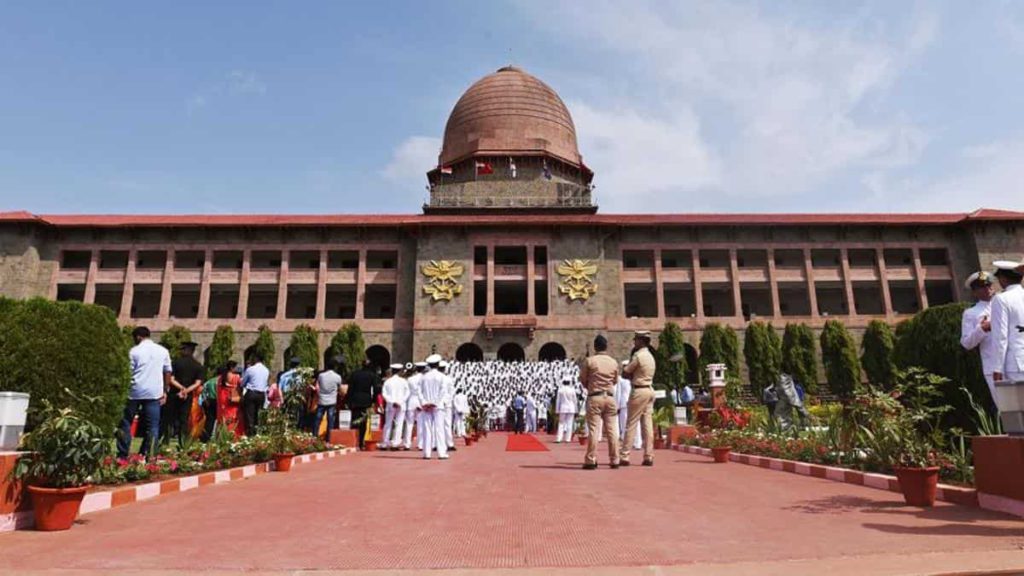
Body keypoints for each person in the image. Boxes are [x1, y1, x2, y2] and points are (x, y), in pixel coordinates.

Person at [117, 326, 171, 459]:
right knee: (152, 426)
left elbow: (128, 372)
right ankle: (149, 454)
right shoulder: (162, 351)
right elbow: (168, 371)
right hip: (154, 392)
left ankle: (123, 454)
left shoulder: (134, 351)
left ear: (138, 337)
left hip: (134, 391)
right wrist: (165, 390)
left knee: (126, 423)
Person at [579, 335, 621, 470]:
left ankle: (591, 459)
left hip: (595, 396)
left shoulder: (590, 361)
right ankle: (615, 459)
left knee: (594, 430)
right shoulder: (613, 362)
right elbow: (615, 380)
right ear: (606, 346)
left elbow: (583, 379)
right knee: (612, 430)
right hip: (609, 397)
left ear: (595, 347)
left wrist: (591, 386)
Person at [961, 271, 999, 401]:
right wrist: (982, 329)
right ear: (975, 292)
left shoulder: (1005, 304)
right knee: (1006, 407)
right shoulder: (971, 313)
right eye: (982, 287)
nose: (987, 289)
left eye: (989, 285)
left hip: (1017, 360)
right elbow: (966, 343)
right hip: (993, 365)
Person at [621, 330, 657, 467]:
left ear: (641, 341)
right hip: (649, 389)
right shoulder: (650, 357)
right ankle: (648, 455)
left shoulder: (638, 356)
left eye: (636, 339)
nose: (634, 341)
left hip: (639, 390)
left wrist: (627, 372)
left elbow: (625, 373)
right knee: (647, 425)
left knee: (631, 424)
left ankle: (625, 455)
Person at [162, 341, 204, 447]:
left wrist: (181, 389)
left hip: (174, 394)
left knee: (169, 419)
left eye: (183, 349)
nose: (181, 351)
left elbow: (171, 379)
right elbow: (198, 383)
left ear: (187, 350)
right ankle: (183, 443)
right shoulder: (198, 365)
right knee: (184, 420)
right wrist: (186, 391)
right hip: (187, 396)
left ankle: (165, 441)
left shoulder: (176, 363)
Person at [991, 259, 1024, 388]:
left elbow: (1000, 336)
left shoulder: (1001, 299)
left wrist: (997, 367)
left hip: (1017, 364)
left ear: (1003, 279)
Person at [418, 354, 449, 460]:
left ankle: (427, 453)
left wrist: (425, 402)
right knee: (439, 429)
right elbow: (443, 392)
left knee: (427, 429)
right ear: (438, 364)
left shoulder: (424, 377)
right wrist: (435, 402)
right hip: (438, 406)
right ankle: (441, 453)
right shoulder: (442, 377)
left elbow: (419, 392)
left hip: (426, 406)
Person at [346, 359, 381, 450]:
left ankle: (354, 442)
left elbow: (350, 388)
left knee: (354, 421)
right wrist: (374, 401)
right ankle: (361, 442)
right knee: (363, 422)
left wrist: (348, 400)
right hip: (366, 400)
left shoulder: (355, 374)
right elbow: (376, 389)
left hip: (355, 399)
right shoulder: (372, 375)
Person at [241, 352, 270, 436]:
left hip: (252, 393)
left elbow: (243, 383)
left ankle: (250, 434)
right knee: (258, 415)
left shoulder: (251, 369)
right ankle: (258, 433)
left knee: (250, 415)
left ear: (256, 359)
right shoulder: (266, 370)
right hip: (261, 394)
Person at [381, 363, 409, 450]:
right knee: (399, 423)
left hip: (390, 405)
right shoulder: (403, 381)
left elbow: (384, 394)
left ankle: (385, 442)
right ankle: (395, 443)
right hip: (401, 405)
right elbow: (407, 393)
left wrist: (392, 401)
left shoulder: (387, 381)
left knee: (388, 423)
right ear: (400, 371)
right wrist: (400, 402)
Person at [311, 358, 342, 437]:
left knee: (318, 418)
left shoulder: (321, 376)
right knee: (330, 419)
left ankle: (314, 435)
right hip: (332, 401)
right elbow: (339, 388)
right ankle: (329, 438)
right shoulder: (337, 377)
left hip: (321, 400)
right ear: (335, 367)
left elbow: (318, 385)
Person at [615, 360, 641, 450]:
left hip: (624, 403)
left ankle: (627, 442)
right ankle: (637, 442)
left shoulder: (621, 379)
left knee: (624, 424)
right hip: (633, 402)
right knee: (635, 423)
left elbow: (618, 393)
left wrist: (617, 405)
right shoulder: (635, 377)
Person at [217, 360, 244, 437]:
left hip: (223, 399)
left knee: (224, 417)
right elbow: (241, 386)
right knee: (234, 417)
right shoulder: (236, 377)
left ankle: (222, 435)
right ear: (232, 367)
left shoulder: (221, 378)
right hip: (233, 399)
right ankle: (234, 435)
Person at [405, 362, 426, 451]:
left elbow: (407, 391)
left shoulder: (410, 379)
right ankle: (420, 444)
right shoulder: (424, 379)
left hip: (411, 400)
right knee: (421, 424)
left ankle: (407, 444)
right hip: (420, 401)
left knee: (409, 423)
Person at [439, 360, 457, 451]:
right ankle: (449, 444)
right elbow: (452, 392)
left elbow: (451, 392)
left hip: (439, 404)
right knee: (446, 424)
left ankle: (437, 444)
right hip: (445, 404)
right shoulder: (448, 379)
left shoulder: (442, 378)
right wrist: (446, 401)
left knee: (437, 425)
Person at [199, 368, 220, 442]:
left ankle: (205, 436)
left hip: (210, 400)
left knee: (209, 420)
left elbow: (203, 390)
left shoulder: (210, 381)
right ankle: (219, 436)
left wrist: (205, 399)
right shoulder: (221, 381)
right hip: (219, 401)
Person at [554, 377, 577, 442]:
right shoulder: (572, 390)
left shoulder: (560, 390)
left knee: (561, 423)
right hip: (571, 408)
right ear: (569, 382)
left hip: (563, 407)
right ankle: (568, 439)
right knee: (569, 423)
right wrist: (576, 410)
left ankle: (559, 438)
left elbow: (558, 401)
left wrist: (557, 410)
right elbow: (575, 400)